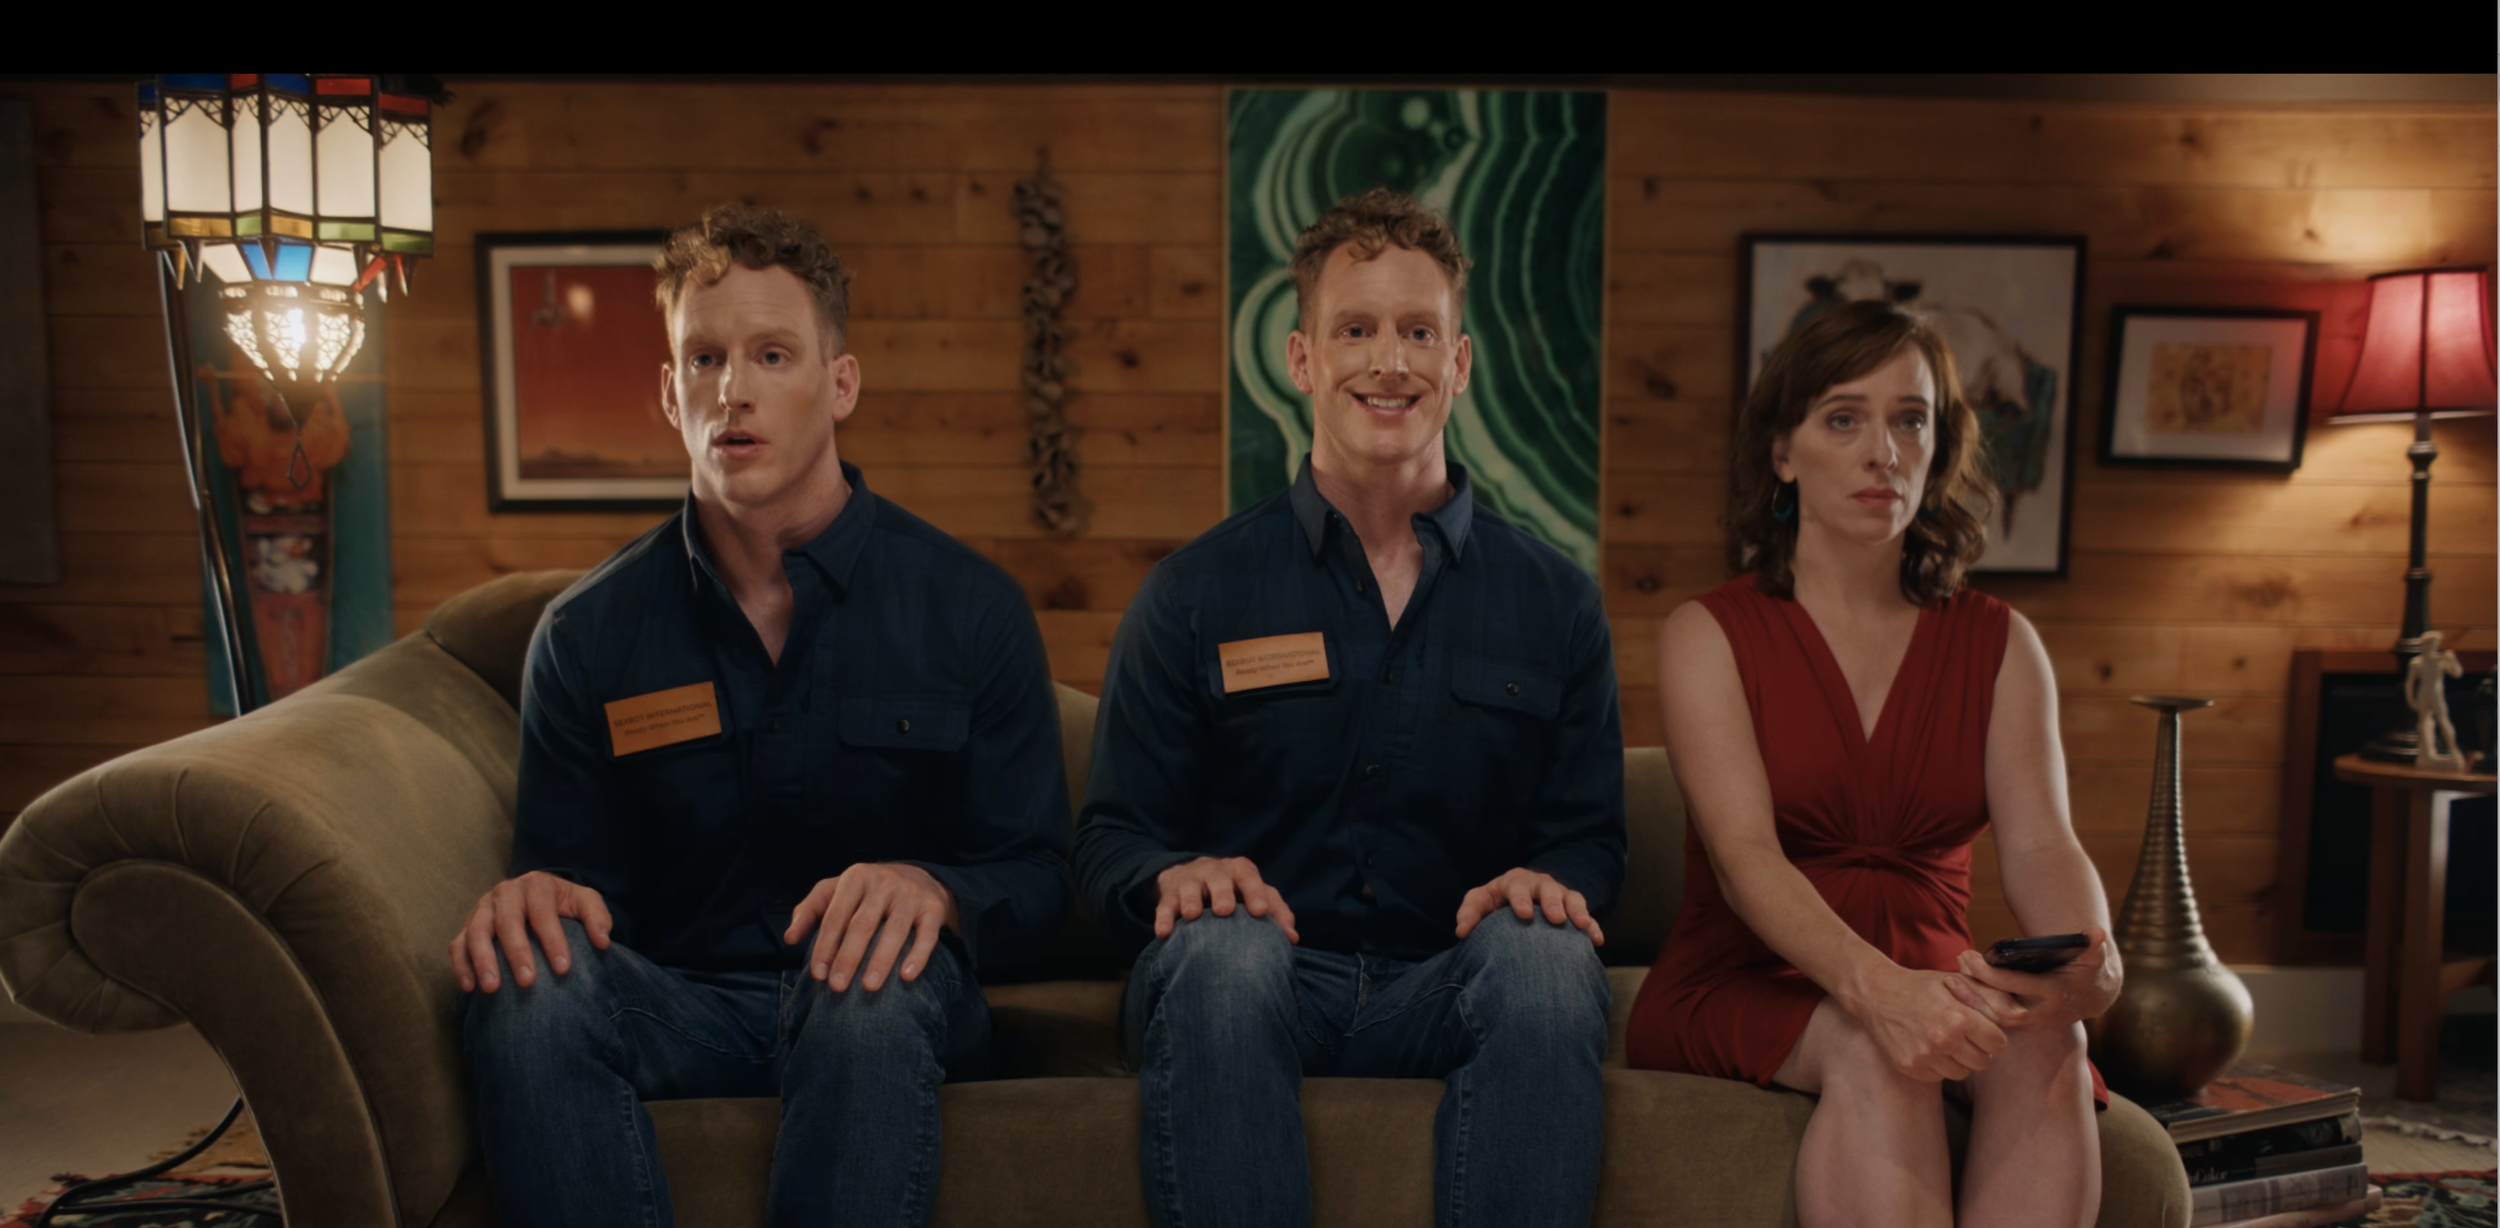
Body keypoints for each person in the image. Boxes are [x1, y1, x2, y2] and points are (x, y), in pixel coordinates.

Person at [449, 204, 1069, 1228]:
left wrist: (935, 892)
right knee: (525, 986)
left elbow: (1044, 880)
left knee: (867, 980)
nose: (732, 389)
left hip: (896, 1005)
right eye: (704, 358)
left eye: (771, 355)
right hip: (684, 1006)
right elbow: (574, 901)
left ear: (840, 384)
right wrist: (535, 904)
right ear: (670, 392)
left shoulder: (972, 609)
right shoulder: (587, 634)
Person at [1074, 188, 1624, 1228]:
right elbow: (1109, 842)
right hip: (1250, 984)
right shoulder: (1192, 594)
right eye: (1356, 329)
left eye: (1419, 332)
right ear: (1301, 358)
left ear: (1459, 363)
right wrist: (1175, 876)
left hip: (1454, 982)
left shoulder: (1556, 603)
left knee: (1546, 960)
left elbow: (1592, 838)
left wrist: (1547, 884)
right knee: (1224, 948)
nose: (1390, 361)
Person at [1625, 298, 2122, 1228]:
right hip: (1746, 976)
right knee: (1880, 1051)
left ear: (1938, 448)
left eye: (1910, 420)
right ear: (1783, 451)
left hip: (1938, 965)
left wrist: (2091, 955)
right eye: (1844, 419)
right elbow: (1744, 859)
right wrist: (1878, 993)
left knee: (2051, 1046)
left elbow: (2043, 843)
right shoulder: (1707, 635)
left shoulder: (2002, 642)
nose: (1883, 452)